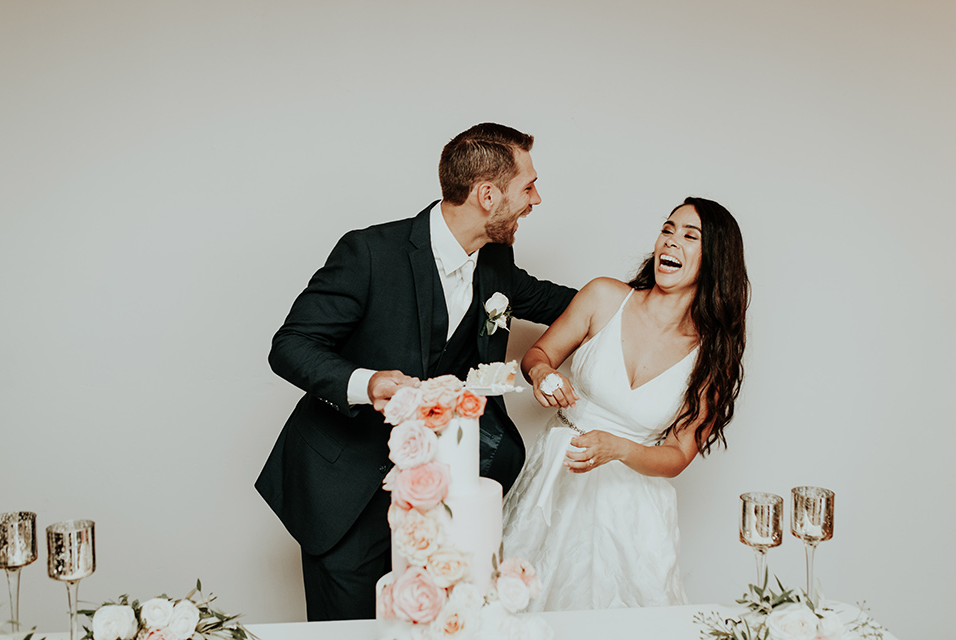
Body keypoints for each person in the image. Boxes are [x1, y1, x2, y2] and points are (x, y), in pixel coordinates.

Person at [255, 123, 577, 621]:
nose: (538, 198)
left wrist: (652, 301)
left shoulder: (495, 264)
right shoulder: (368, 253)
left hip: (436, 503)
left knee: (427, 626)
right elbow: (291, 345)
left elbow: (567, 304)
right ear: (487, 195)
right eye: (528, 186)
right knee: (346, 634)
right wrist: (369, 382)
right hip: (344, 489)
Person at [501, 196, 748, 611]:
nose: (670, 242)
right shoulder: (603, 297)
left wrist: (618, 449)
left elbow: (678, 453)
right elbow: (537, 355)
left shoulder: (711, 355)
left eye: (689, 236)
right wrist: (543, 374)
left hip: (632, 509)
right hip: (556, 475)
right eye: (667, 229)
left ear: (716, 260)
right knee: (521, 606)